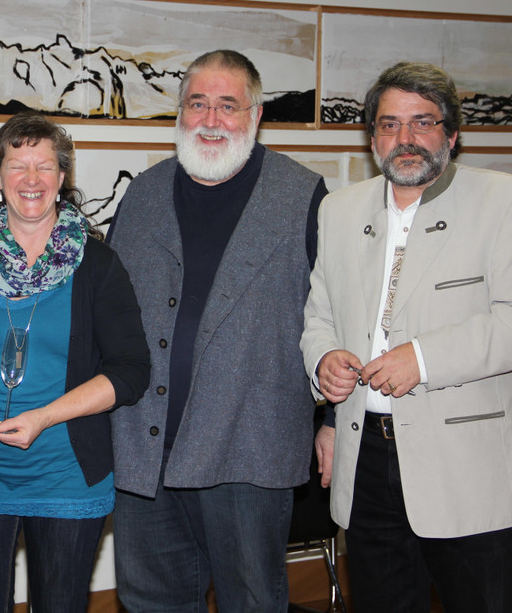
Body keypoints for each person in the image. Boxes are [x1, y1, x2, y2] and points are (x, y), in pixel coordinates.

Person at [302, 61, 512, 612]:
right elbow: (319, 313)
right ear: (373, 137)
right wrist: (323, 359)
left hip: (465, 467)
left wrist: (422, 359)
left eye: (422, 122)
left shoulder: (507, 201)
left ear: (452, 133)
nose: (406, 138)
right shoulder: (339, 211)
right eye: (390, 124)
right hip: (364, 460)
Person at [106, 50, 327, 611]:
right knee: (149, 601)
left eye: (227, 105)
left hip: (249, 453)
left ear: (255, 115)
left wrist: (333, 422)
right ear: (180, 112)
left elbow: (335, 320)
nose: (210, 120)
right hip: (145, 449)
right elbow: (106, 314)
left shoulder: (304, 197)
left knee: (251, 601)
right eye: (197, 103)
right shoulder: (143, 194)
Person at [0, 111, 150, 612]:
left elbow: (130, 370)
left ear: (62, 178)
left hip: (67, 477)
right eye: (17, 166)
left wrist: (45, 416)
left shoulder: (99, 265)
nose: (31, 179)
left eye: (44, 166)